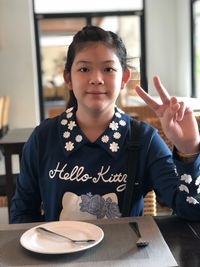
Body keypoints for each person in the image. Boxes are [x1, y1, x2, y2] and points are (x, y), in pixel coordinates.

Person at [10, 25, 200, 223]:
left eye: (108, 69)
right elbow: (22, 215)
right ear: (68, 78)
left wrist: (189, 150)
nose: (96, 79)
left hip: (126, 252)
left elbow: (191, 210)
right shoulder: (43, 138)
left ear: (124, 78)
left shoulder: (144, 139)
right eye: (84, 69)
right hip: (57, 253)